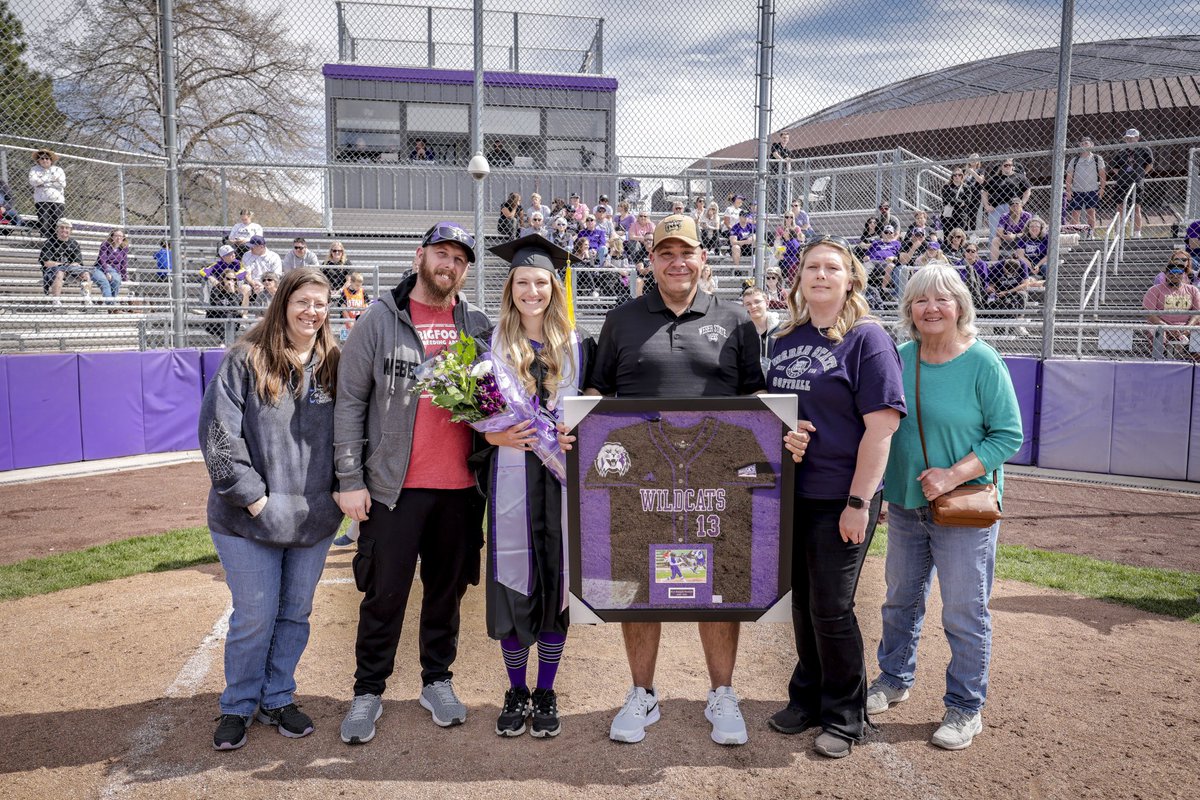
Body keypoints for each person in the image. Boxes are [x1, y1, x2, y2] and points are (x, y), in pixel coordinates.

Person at [560, 214, 767, 748]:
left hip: (714, 484)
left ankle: (721, 692)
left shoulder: (736, 321)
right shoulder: (622, 320)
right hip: (640, 481)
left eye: (687, 252)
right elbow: (597, 397)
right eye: (666, 253)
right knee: (640, 584)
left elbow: (755, 404)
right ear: (650, 261)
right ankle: (642, 692)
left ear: (703, 258)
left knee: (718, 587)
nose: (677, 262)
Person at [335, 222, 490, 745]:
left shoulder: (477, 322)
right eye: (442, 254)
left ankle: (436, 680)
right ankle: (368, 690)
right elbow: (350, 402)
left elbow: (497, 402)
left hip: (460, 491)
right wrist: (350, 479)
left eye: (460, 260)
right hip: (391, 489)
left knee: (447, 593)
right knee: (384, 593)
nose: (450, 265)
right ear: (420, 255)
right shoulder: (379, 319)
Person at [869, 264, 1022, 751]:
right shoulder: (898, 358)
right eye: (920, 300)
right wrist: (881, 489)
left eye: (941, 300)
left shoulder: (983, 362)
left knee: (963, 611)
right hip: (907, 507)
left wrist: (952, 475)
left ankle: (964, 708)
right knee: (899, 600)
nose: (931, 309)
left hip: (963, 508)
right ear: (909, 310)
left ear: (960, 307)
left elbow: (1008, 435)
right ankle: (893, 678)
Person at [764, 236, 905, 759]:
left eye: (832, 267)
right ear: (798, 277)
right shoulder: (786, 336)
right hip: (790, 493)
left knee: (832, 607)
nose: (820, 275)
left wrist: (858, 503)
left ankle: (846, 714)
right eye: (811, 267)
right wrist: (787, 434)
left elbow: (882, 430)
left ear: (850, 279)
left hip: (840, 496)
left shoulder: (868, 340)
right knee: (802, 603)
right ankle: (807, 696)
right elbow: (776, 415)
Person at [199, 267, 343, 751]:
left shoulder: (334, 361)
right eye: (303, 301)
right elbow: (218, 435)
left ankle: (278, 696)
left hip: (313, 518)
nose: (312, 311)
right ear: (282, 301)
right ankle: (239, 705)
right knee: (255, 615)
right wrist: (253, 497)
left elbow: (353, 431)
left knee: (295, 613)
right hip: (247, 518)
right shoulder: (246, 358)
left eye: (321, 303)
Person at [482, 235, 592, 738]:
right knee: (512, 584)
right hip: (512, 475)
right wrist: (495, 431)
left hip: (561, 477)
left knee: (556, 580)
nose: (532, 290)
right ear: (511, 288)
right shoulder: (490, 346)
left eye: (541, 282)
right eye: (523, 282)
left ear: (554, 287)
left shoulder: (576, 345)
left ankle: (545, 688)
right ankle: (516, 688)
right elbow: (475, 416)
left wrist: (583, 424)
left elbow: (596, 408)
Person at [1143, 260, 1200, 357]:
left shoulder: (1192, 290)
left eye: (1179, 272)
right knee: (1158, 335)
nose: (1175, 275)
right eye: (1172, 272)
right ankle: (1159, 362)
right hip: (1161, 326)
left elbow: (1197, 313)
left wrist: (1188, 328)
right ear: (1166, 274)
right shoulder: (1155, 290)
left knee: (1197, 334)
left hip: (1186, 326)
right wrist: (1167, 327)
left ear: (1184, 274)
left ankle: (1194, 365)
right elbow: (1149, 314)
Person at [1111, 128, 1154, 238]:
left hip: (1136, 182)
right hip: (1122, 182)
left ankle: (1137, 233)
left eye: (1132, 138)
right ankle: (1119, 233)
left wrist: (1141, 174)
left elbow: (1150, 164)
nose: (1129, 140)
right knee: (1119, 207)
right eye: (1127, 138)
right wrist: (1122, 175)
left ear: (1137, 138)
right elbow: (1115, 167)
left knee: (1136, 207)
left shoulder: (1144, 149)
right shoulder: (1121, 151)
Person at [39, 219, 87, 307]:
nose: (64, 230)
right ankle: (56, 302)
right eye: (62, 227)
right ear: (57, 229)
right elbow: (47, 262)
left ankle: (86, 301)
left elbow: (77, 262)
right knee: (60, 272)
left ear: (70, 230)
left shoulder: (74, 243)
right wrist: (63, 266)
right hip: (52, 271)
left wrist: (67, 267)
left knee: (86, 274)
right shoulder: (49, 242)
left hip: (70, 271)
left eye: (67, 228)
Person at [981, 158, 1032, 241]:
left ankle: (1014, 252)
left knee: (1013, 231)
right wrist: (986, 205)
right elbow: (984, 193)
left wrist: (1022, 203)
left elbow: (1028, 190)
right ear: (1001, 167)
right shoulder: (994, 179)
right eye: (1005, 165)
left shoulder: (1019, 177)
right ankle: (993, 253)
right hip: (996, 208)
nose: (1008, 167)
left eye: (1010, 165)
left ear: (1013, 167)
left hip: (1013, 207)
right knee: (994, 233)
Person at [1064, 137, 1107, 234]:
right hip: (1077, 190)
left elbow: (1102, 174)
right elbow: (1069, 176)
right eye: (1082, 143)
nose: (1084, 145)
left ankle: (1090, 233)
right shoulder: (1075, 160)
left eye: (1086, 143)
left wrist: (1102, 188)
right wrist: (1068, 190)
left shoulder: (1097, 158)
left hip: (1092, 189)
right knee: (1075, 213)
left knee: (1091, 212)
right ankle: (1075, 234)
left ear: (1092, 145)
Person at [741, 283, 780, 375]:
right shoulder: (741, 333)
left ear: (767, 303)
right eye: (748, 304)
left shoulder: (782, 330)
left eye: (757, 302)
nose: (753, 306)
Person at [28, 149, 66, 240]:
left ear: (51, 160)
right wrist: (52, 179)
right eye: (42, 158)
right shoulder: (34, 169)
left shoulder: (58, 169)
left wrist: (42, 182)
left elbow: (62, 184)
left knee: (57, 224)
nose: (45, 160)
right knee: (44, 224)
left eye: (47, 158)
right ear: (38, 160)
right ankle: (46, 244)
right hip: (42, 201)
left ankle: (57, 244)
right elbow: (33, 181)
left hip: (57, 201)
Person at [205, 267, 248, 340]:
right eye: (228, 279)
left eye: (234, 279)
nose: (231, 281)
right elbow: (216, 306)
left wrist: (232, 293)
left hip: (232, 319)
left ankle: (224, 342)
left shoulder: (238, 293)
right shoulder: (216, 290)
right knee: (226, 314)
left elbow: (236, 308)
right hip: (217, 318)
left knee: (229, 315)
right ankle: (226, 341)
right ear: (223, 279)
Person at [91, 227, 129, 306]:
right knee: (104, 282)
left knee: (116, 280)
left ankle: (110, 304)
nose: (118, 238)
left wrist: (124, 277)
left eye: (121, 236)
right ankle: (111, 306)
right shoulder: (105, 244)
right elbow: (102, 259)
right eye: (116, 235)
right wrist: (107, 272)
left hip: (114, 270)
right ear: (112, 236)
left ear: (123, 238)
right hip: (99, 268)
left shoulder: (124, 248)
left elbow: (123, 263)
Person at [336, 271, 370, 337]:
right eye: (357, 285)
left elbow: (366, 304)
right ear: (351, 282)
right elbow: (343, 307)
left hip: (359, 319)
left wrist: (361, 318)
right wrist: (349, 320)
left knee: (359, 339)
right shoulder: (345, 292)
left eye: (360, 285)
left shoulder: (362, 291)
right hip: (347, 321)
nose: (359, 287)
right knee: (345, 341)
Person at [940, 168, 973, 233]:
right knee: (948, 236)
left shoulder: (966, 187)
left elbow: (967, 201)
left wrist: (952, 201)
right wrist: (960, 202)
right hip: (948, 215)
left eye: (959, 175)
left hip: (961, 215)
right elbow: (946, 200)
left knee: (959, 235)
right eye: (955, 175)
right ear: (952, 176)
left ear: (962, 176)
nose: (957, 176)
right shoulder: (947, 187)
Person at [770, 132, 793, 213]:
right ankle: (775, 211)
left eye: (786, 138)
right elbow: (775, 154)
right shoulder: (776, 145)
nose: (785, 139)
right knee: (777, 192)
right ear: (780, 138)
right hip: (775, 172)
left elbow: (788, 162)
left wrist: (789, 168)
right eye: (783, 138)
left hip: (783, 174)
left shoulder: (787, 150)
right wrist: (783, 160)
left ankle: (781, 210)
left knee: (784, 192)